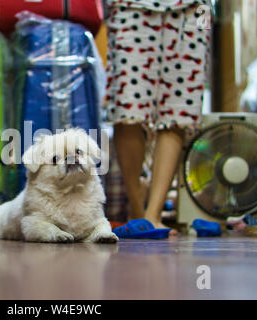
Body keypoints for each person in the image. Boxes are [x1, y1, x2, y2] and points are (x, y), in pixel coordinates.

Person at [105, 0, 210, 234]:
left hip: (195, 9)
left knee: (179, 110)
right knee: (127, 108)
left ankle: (154, 215)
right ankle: (137, 209)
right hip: (130, 5)